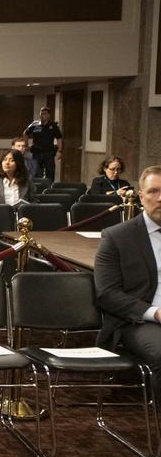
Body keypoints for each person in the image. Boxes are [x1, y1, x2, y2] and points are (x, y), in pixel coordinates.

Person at [94, 165, 161, 399]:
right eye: (153, 191)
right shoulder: (117, 237)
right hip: (138, 322)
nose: (160, 198)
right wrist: (155, 313)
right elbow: (107, 294)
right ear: (141, 197)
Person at [25, 106, 63, 180]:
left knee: (50, 172)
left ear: (49, 115)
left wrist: (59, 151)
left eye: (44, 114)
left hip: (48, 153)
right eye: (41, 114)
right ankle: (37, 188)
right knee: (36, 173)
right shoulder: (34, 124)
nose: (42, 115)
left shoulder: (53, 126)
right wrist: (26, 145)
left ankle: (49, 189)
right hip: (36, 152)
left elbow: (59, 138)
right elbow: (25, 133)